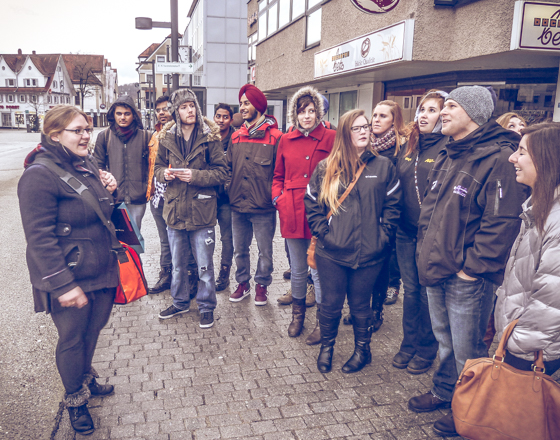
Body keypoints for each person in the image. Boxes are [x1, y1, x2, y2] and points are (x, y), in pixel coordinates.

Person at [408, 86, 527, 437]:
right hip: (437, 267)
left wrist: (471, 269)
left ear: (473, 113)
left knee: (469, 351)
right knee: (445, 340)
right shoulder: (449, 152)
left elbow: (501, 223)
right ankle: (446, 393)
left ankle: (473, 411)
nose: (443, 112)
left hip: (467, 277)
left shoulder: (498, 158)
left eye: (451, 106)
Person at [18, 105, 119, 435]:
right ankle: (75, 399)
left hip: (100, 266)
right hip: (71, 275)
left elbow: (101, 210)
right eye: (78, 130)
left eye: (88, 129)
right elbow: (39, 239)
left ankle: (85, 378)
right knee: (73, 339)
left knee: (95, 329)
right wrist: (63, 285)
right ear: (55, 135)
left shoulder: (85, 163)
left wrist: (111, 191)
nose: (86, 135)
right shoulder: (38, 175)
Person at [305, 109, 401, 374]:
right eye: (356, 128)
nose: (364, 131)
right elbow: (312, 203)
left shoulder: (383, 166)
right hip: (331, 251)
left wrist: (383, 236)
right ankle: (327, 348)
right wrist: (324, 232)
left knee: (361, 304)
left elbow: (394, 206)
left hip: (370, 252)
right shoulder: (327, 167)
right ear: (345, 134)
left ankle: (362, 350)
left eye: (366, 127)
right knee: (331, 303)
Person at [154, 89, 228, 328]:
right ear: (177, 111)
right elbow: (156, 168)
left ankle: (206, 307)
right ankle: (180, 302)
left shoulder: (210, 138)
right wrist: (164, 174)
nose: (190, 111)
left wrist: (194, 176)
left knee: (205, 266)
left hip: (202, 212)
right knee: (178, 264)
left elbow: (222, 173)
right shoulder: (166, 138)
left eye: (193, 106)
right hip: (174, 210)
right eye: (185, 107)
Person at [495, 122, 560, 376]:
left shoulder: (555, 221)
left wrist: (517, 343)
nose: (513, 157)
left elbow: (552, 300)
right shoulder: (539, 208)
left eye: (522, 151)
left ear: (547, 160)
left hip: (532, 351)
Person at [272, 86, 335, 343]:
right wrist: (279, 198)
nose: (306, 116)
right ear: (294, 115)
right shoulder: (285, 140)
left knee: (318, 270)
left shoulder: (331, 138)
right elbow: (277, 176)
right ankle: (297, 317)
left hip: (320, 212)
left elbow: (339, 172)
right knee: (298, 270)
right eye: (301, 112)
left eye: (311, 111)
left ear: (318, 112)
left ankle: (322, 321)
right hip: (292, 211)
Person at [391, 90, 448, 375]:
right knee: (411, 291)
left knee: (427, 293)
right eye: (422, 109)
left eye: (432, 110)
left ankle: (427, 349)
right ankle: (408, 344)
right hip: (404, 232)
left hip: (430, 236)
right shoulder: (409, 145)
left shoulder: (448, 149)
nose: (423, 115)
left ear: (443, 116)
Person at [227, 84, 282, 305]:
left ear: (258, 105)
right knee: (239, 250)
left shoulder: (276, 137)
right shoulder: (235, 137)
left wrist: (275, 196)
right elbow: (228, 168)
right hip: (237, 205)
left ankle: (262, 285)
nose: (242, 107)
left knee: (265, 252)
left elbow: (280, 172)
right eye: (241, 103)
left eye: (247, 103)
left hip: (264, 207)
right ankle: (242, 284)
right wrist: (228, 188)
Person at [94, 95, 151, 233]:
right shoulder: (104, 136)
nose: (122, 117)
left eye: (127, 114)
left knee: (135, 238)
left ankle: (135, 255)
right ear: (113, 115)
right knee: (115, 239)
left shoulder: (146, 136)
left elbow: (152, 166)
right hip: (113, 198)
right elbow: (97, 166)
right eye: (119, 113)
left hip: (137, 198)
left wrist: (146, 188)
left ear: (134, 115)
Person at [147, 95, 173, 294]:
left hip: (176, 195)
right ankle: (166, 274)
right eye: (158, 110)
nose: (161, 113)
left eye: (166, 108)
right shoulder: (154, 135)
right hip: (157, 196)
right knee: (164, 238)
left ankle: (185, 277)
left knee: (179, 239)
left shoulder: (181, 132)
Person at [213, 103, 235, 291]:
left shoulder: (236, 139)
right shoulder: (207, 137)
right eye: (218, 116)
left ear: (231, 119)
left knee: (227, 238)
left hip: (228, 198)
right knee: (206, 236)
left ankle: (224, 273)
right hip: (208, 196)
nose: (221, 120)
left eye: (225, 117)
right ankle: (204, 271)